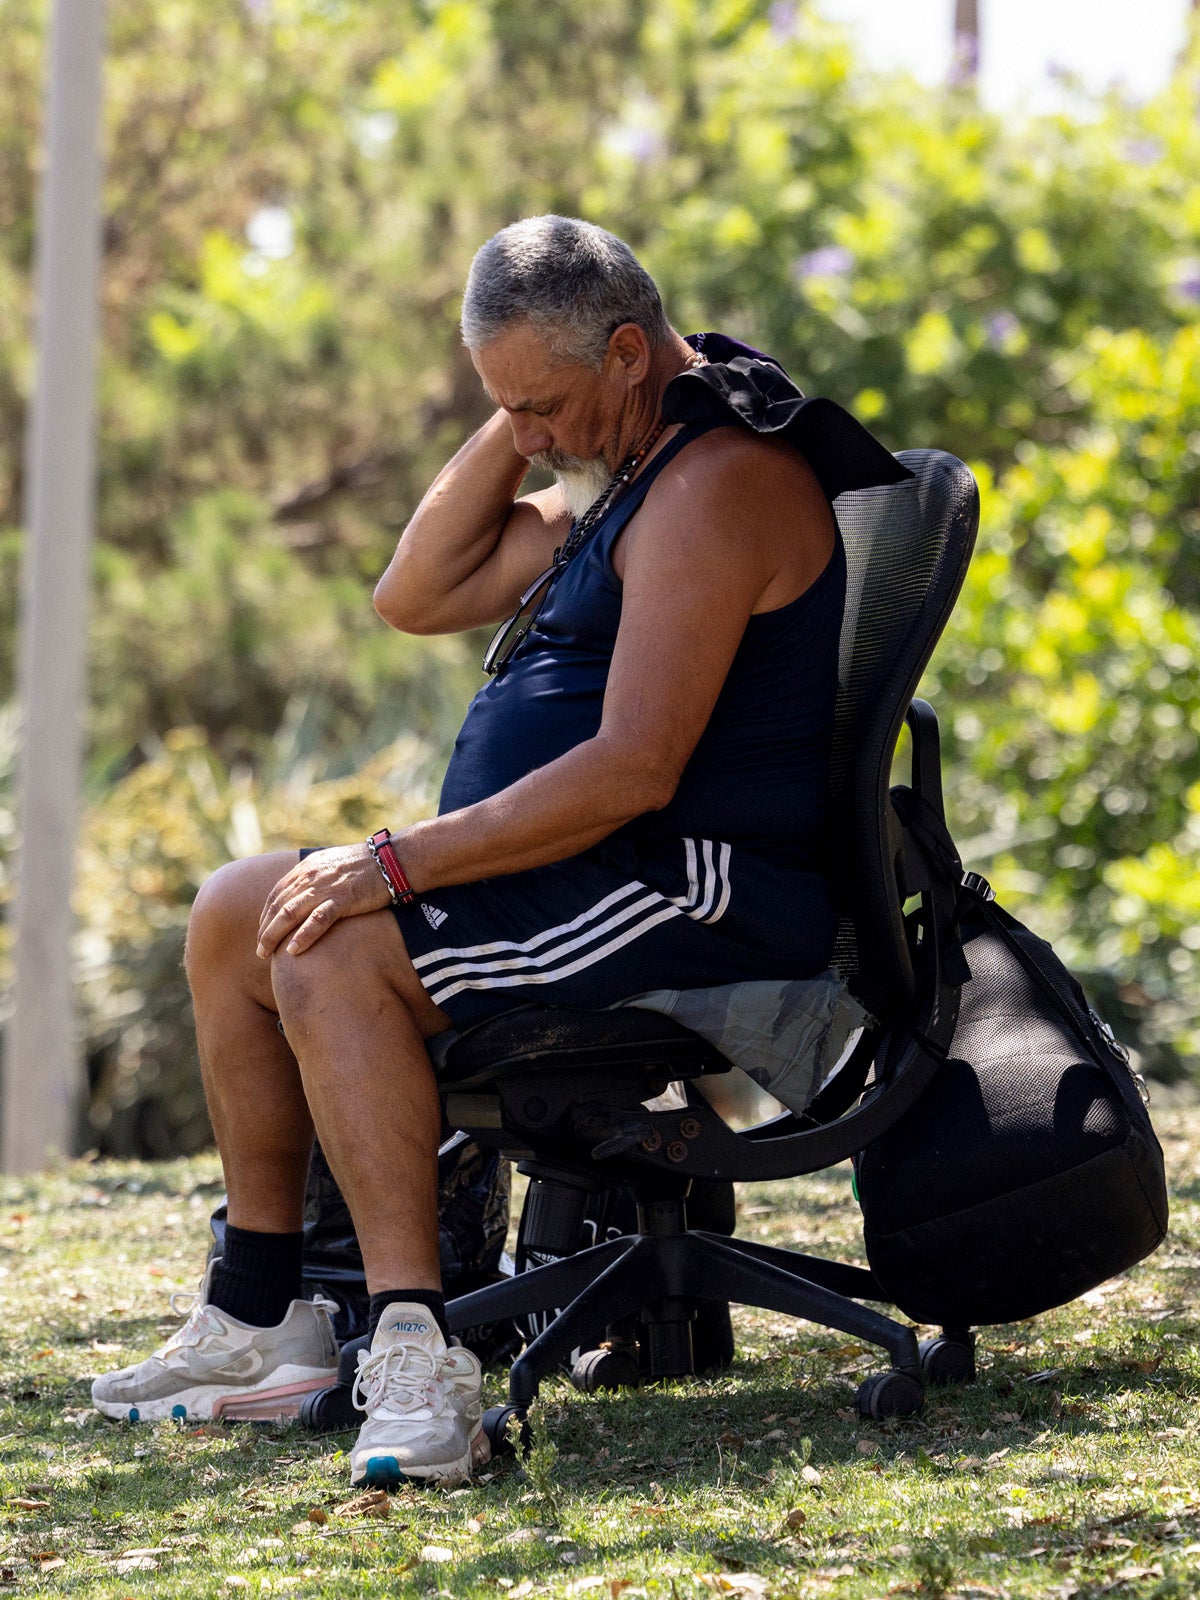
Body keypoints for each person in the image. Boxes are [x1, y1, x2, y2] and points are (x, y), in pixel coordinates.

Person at [91, 215, 906, 1487]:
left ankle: (420, 1353)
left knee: (332, 945)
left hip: (689, 891)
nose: (525, 436)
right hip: (595, 870)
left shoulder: (713, 485)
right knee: (235, 908)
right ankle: (267, 1317)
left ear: (631, 353)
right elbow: (412, 593)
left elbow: (637, 767)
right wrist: (534, 405)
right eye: (503, 406)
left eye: (543, 401)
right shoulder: (614, 466)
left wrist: (397, 863)